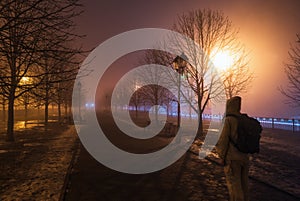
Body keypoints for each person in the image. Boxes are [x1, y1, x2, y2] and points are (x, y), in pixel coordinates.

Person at [215, 96, 249, 201]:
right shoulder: (243, 120)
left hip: (232, 159)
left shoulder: (228, 120)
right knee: (244, 186)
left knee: (235, 186)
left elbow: (223, 140)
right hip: (244, 158)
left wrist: (221, 156)